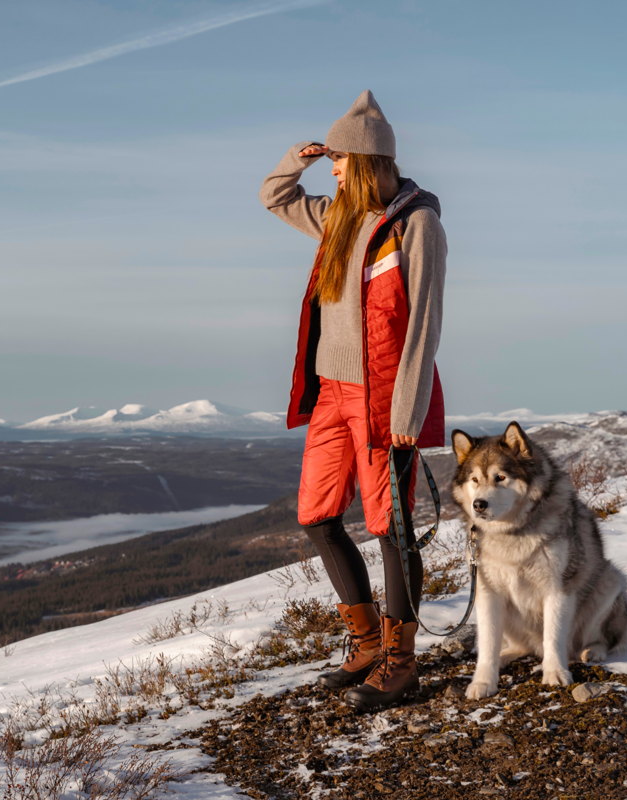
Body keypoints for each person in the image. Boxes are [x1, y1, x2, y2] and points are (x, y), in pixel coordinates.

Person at [259, 90, 447, 711]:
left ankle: (401, 661)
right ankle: (366, 644)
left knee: (391, 527)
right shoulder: (338, 216)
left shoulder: (417, 226)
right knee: (316, 514)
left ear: (366, 160)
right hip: (332, 395)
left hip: (383, 398)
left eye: (339, 159)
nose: (333, 169)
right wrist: (299, 158)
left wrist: (409, 409)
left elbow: (424, 325)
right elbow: (275, 197)